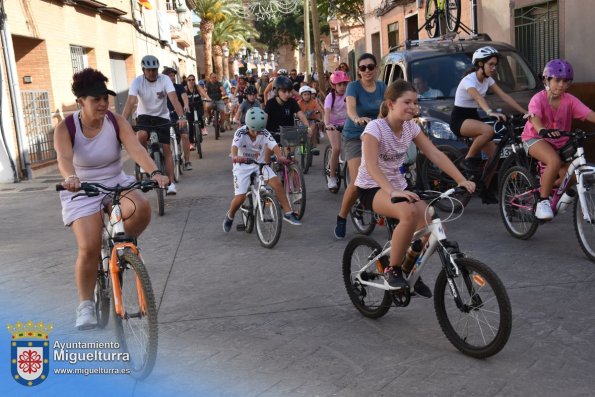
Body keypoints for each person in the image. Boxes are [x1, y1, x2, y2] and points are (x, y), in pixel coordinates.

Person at [55, 68, 169, 330]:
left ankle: (118, 244)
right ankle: (85, 305)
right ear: (80, 101)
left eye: (105, 98)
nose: (104, 103)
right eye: (96, 99)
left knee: (141, 208)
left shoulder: (116, 121)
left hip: (116, 181)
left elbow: (135, 148)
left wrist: (155, 171)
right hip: (81, 188)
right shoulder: (67, 128)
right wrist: (70, 176)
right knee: (89, 247)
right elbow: (63, 158)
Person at [355, 79, 475, 292]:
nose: (413, 107)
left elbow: (435, 153)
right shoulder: (375, 128)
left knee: (433, 223)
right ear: (391, 104)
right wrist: (392, 191)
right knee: (408, 214)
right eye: (407, 102)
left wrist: (460, 179)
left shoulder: (411, 127)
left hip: (399, 187)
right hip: (372, 187)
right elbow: (372, 166)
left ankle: (408, 267)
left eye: (415, 102)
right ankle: (392, 269)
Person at [450, 46, 527, 203]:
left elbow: (505, 96)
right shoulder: (469, 80)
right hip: (459, 119)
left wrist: (525, 112)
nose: (494, 68)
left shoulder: (488, 80)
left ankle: (484, 189)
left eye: (495, 65)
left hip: (473, 117)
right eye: (491, 64)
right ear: (480, 64)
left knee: (494, 156)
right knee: (488, 131)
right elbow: (478, 98)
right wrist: (490, 111)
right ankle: (468, 159)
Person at [522, 59, 595, 220]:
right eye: (557, 80)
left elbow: (589, 114)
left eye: (566, 81)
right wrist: (542, 129)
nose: (561, 85)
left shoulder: (569, 100)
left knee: (575, 173)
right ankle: (542, 202)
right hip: (535, 138)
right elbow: (534, 118)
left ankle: (549, 189)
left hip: (560, 143)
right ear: (546, 80)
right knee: (554, 162)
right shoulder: (538, 99)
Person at [223, 107, 302, 232]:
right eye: (254, 130)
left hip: (259, 164)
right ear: (248, 126)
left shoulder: (264, 132)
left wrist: (280, 157)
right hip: (242, 165)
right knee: (240, 197)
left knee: (277, 183)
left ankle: (288, 213)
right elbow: (234, 147)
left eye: (259, 130)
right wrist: (234, 156)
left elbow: (274, 145)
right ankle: (230, 215)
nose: (257, 133)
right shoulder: (240, 132)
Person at [334, 53, 387, 239]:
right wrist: (357, 119)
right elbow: (350, 108)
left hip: (376, 135)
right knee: (358, 182)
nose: (367, 71)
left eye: (370, 67)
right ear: (358, 70)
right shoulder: (353, 87)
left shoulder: (382, 87)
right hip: (355, 136)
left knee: (390, 174)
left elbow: (388, 108)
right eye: (363, 67)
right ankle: (342, 217)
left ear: (376, 68)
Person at [122, 55, 187, 195]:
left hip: (162, 116)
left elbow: (174, 98)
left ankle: (171, 184)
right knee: (141, 135)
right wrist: (121, 122)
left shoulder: (164, 80)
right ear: (143, 70)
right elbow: (130, 102)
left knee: (167, 148)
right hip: (144, 116)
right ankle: (145, 162)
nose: (152, 73)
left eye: (154, 70)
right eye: (149, 70)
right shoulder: (137, 82)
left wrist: (181, 116)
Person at [264, 75, 313, 147]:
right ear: (276, 90)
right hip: (272, 135)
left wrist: (308, 127)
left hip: (288, 135)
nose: (287, 94)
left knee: (290, 157)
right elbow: (264, 118)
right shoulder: (270, 103)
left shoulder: (292, 102)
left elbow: (301, 115)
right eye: (284, 91)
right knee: (267, 157)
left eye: (289, 91)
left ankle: (291, 156)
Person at [324, 70, 350, 192]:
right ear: (334, 86)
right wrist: (327, 124)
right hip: (332, 125)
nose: (342, 87)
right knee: (337, 149)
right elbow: (327, 112)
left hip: (346, 124)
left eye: (344, 84)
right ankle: (332, 177)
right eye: (339, 84)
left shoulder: (348, 95)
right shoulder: (330, 97)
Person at [163, 67, 192, 171]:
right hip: (165, 117)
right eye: (170, 76)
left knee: (184, 136)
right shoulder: (161, 88)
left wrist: (186, 105)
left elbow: (184, 97)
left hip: (178, 116)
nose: (173, 77)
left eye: (173, 75)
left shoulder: (179, 87)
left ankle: (187, 161)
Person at [298, 85, 324, 153]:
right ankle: (302, 149)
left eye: (308, 94)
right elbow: (295, 112)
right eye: (305, 94)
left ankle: (314, 147)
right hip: (302, 121)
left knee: (313, 132)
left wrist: (323, 119)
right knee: (301, 135)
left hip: (312, 120)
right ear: (301, 95)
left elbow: (321, 110)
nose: (307, 96)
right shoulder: (299, 103)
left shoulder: (314, 102)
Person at [185, 73, 208, 141]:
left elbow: (204, 94)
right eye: (189, 80)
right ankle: (191, 143)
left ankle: (203, 128)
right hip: (189, 106)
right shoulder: (185, 88)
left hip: (198, 104)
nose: (191, 81)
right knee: (190, 124)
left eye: (193, 79)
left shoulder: (197, 87)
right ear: (187, 81)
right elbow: (182, 97)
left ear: (195, 80)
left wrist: (208, 98)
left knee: (199, 115)